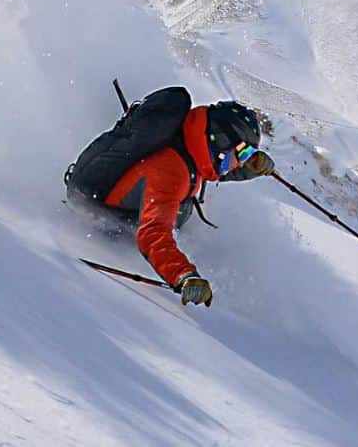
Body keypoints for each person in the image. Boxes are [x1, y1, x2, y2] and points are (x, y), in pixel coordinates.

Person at [69, 99, 274, 306]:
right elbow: (152, 233)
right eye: (242, 154)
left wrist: (252, 167)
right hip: (110, 230)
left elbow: (218, 171)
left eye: (248, 156)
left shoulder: (191, 144)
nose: (239, 164)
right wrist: (184, 276)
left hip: (138, 214)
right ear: (219, 140)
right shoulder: (171, 170)